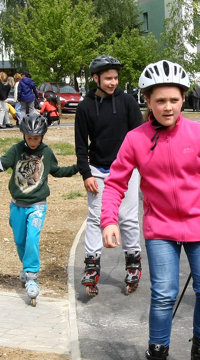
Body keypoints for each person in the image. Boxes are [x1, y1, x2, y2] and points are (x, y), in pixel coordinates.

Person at [101, 59, 200, 360]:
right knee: (163, 294)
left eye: (174, 99)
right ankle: (156, 358)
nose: (167, 107)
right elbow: (115, 183)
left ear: (183, 99)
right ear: (147, 101)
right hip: (161, 228)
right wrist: (108, 220)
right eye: (159, 100)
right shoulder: (136, 139)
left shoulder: (198, 134)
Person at [0, 114, 78, 305]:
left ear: (43, 136)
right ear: (24, 135)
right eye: (29, 137)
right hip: (17, 204)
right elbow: (1, 166)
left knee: (32, 239)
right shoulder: (16, 150)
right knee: (20, 240)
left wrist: (78, 167)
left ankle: (32, 277)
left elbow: (57, 171)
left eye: (36, 138)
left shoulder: (46, 151)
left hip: (38, 205)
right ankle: (26, 267)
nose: (33, 141)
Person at [74, 55, 144, 296]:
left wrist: (142, 168)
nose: (113, 82)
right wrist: (86, 174)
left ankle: (133, 263)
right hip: (98, 171)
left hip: (127, 169)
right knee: (96, 219)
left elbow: (139, 138)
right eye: (108, 78)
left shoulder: (127, 103)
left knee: (127, 218)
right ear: (96, 78)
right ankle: (92, 267)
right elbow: (81, 145)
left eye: (115, 78)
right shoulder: (84, 107)